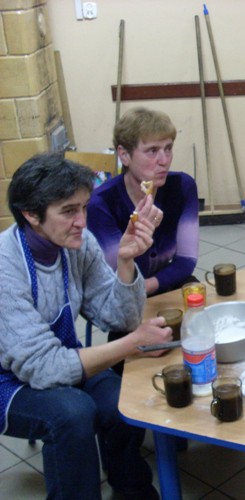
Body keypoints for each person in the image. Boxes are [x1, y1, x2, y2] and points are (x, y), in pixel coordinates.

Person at [0, 153, 173, 499]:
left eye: (83, 207)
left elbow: (120, 319)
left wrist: (126, 261)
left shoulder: (77, 244)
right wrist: (131, 344)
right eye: (68, 211)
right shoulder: (6, 266)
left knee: (120, 400)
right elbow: (44, 368)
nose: (81, 221)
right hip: (9, 380)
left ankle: (131, 490)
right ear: (31, 214)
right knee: (73, 415)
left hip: (58, 359)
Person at [87, 107, 199, 374]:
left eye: (168, 148)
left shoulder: (182, 187)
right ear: (124, 155)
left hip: (164, 285)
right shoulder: (101, 204)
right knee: (134, 369)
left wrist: (148, 285)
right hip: (124, 303)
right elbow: (119, 280)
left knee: (201, 326)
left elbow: (186, 261)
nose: (164, 160)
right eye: (152, 151)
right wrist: (139, 290)